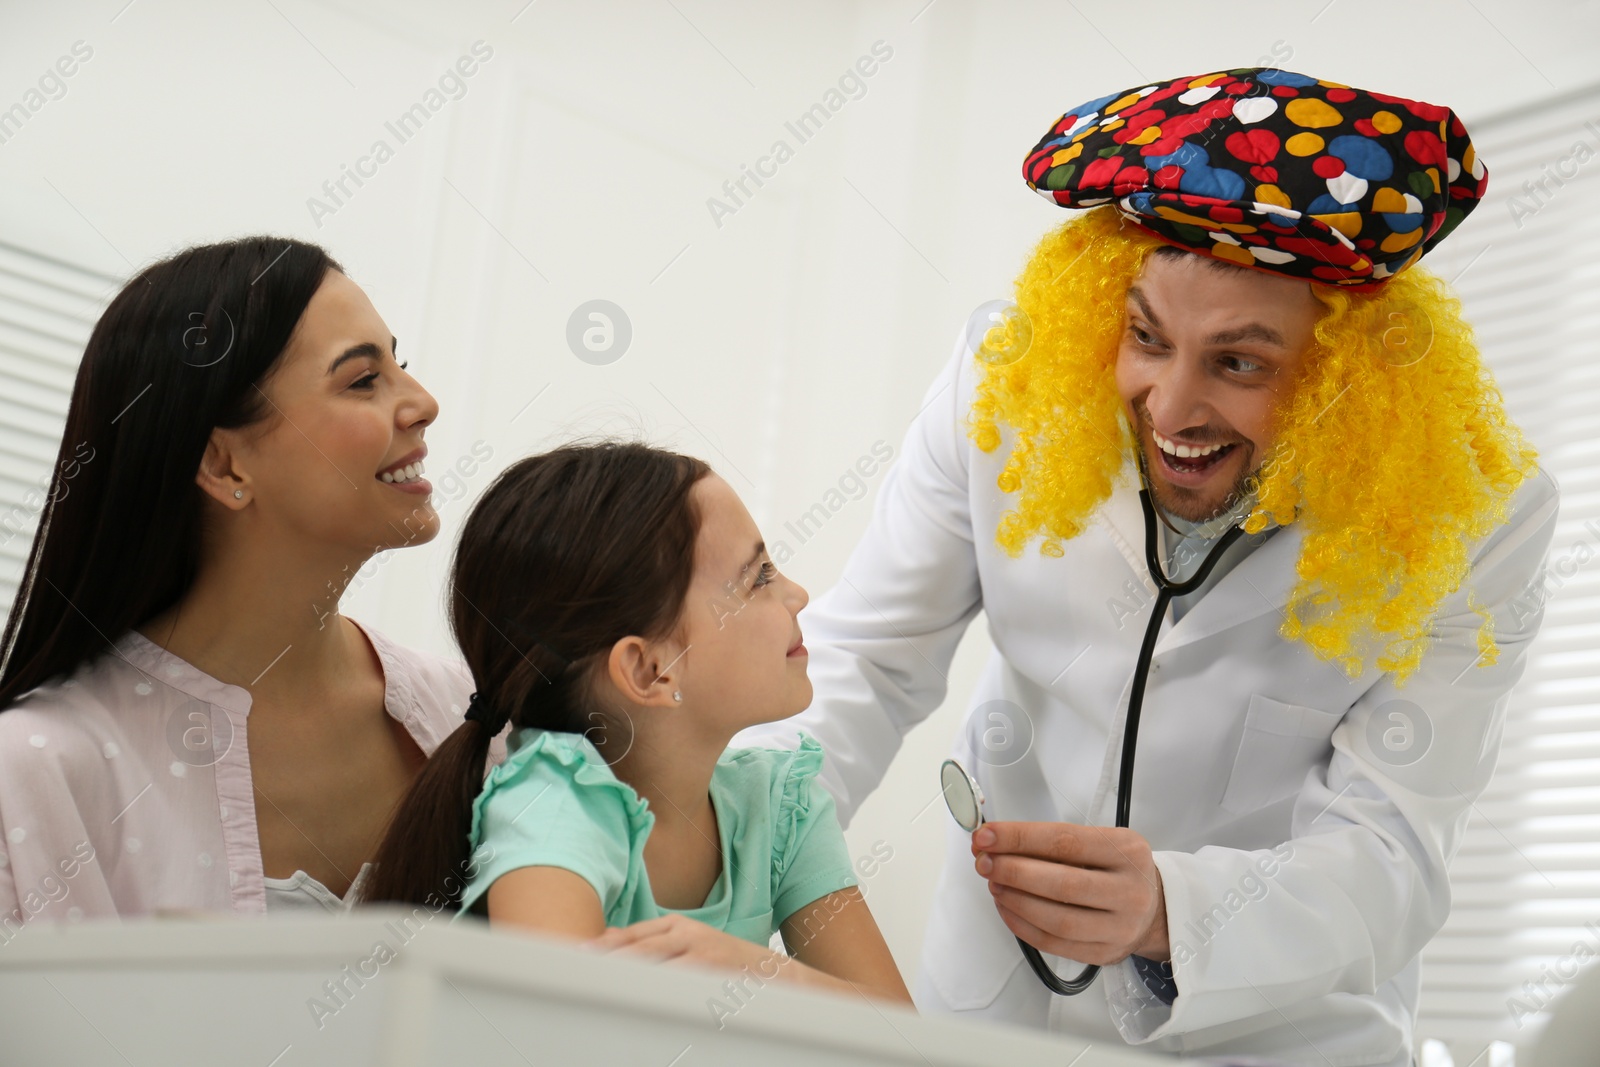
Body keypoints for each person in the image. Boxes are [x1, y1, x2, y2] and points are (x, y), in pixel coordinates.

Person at [737, 68, 1561, 1065]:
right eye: (1145, 337)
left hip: (1279, 1031)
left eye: (1239, 362)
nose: (1171, 409)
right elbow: (863, 662)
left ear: (1351, 377)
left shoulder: (1474, 516)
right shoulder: (1005, 390)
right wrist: (725, 861)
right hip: (998, 1001)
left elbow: (1394, 853)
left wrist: (1172, 907)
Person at [0, 237, 501, 929]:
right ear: (223, 464)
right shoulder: (34, 770)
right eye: (362, 380)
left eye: (401, 364)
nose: (423, 403)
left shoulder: (468, 718)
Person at [360, 441, 912, 1006]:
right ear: (650, 671)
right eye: (759, 577)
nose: (797, 594)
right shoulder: (553, 805)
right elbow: (558, 1029)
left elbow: (904, 1042)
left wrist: (756, 973)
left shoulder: (780, 805)